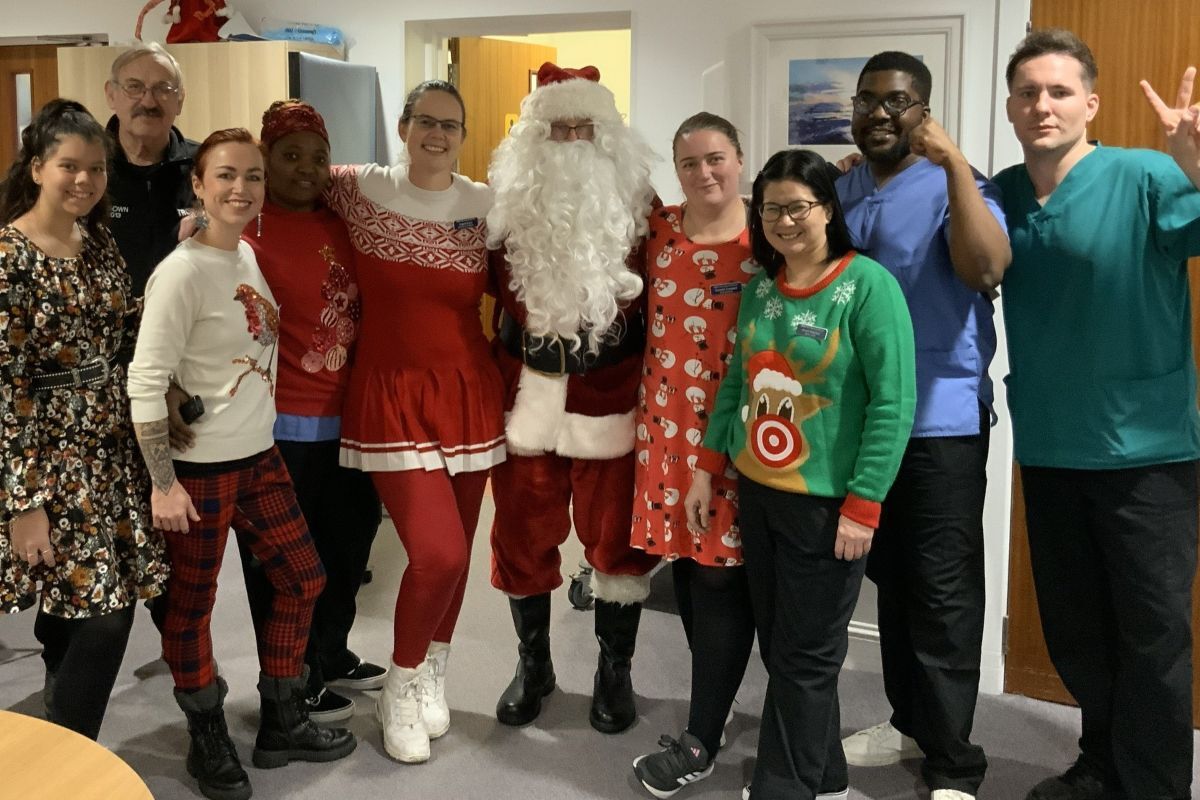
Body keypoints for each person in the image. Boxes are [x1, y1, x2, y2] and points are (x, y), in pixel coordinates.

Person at [995, 29, 1200, 800]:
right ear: (1012, 107)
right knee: (1079, 632)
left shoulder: (1147, 174)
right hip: (1051, 444)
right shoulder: (1005, 193)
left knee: (1152, 637)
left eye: (1057, 91)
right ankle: (1102, 763)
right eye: (1027, 92)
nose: (1041, 104)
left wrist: (1198, 167)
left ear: (1091, 101)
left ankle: (1152, 788)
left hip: (1145, 452)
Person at [128, 127, 356, 800]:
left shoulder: (247, 258)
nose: (241, 188)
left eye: (252, 176)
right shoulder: (182, 272)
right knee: (191, 610)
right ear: (198, 185)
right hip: (197, 474)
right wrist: (162, 481)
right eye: (224, 175)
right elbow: (145, 381)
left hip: (260, 458)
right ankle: (207, 736)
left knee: (303, 578)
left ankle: (282, 717)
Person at [686, 149, 916, 800]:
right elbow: (736, 382)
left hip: (827, 506)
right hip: (760, 496)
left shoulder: (867, 285)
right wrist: (708, 467)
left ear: (829, 209)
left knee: (805, 657)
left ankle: (784, 785)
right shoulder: (761, 285)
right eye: (771, 209)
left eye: (798, 206)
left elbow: (893, 404)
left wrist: (864, 504)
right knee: (789, 648)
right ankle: (828, 778)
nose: (784, 221)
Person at [834, 52, 1010, 800]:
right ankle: (910, 720)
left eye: (898, 101)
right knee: (892, 582)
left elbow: (987, 269)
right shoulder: (839, 186)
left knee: (941, 591)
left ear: (924, 111)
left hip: (939, 421)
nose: (881, 113)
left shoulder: (955, 184)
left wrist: (958, 166)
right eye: (868, 100)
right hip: (860, 423)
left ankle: (954, 765)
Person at [326, 80, 504, 764]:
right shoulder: (358, 189)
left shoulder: (486, 205)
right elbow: (275, 181)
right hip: (389, 393)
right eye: (425, 121)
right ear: (402, 126)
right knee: (439, 552)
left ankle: (435, 668)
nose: (437, 134)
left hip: (469, 394)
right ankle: (399, 683)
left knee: (455, 557)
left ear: (463, 135)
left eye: (451, 126)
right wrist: (204, 223)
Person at [486, 62, 661, 735]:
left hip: (610, 400)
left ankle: (613, 671)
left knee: (616, 544)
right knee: (521, 539)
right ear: (533, 139)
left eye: (583, 127)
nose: (570, 140)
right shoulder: (499, 213)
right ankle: (535, 667)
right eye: (556, 128)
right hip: (525, 400)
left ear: (607, 137)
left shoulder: (646, 216)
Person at [0, 99, 169, 741]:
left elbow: (127, 330)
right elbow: (6, 392)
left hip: (111, 444)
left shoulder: (95, 240)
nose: (85, 181)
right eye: (69, 165)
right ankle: (68, 754)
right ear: (38, 166)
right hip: (48, 457)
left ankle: (58, 707)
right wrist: (26, 503)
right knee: (106, 613)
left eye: (97, 169)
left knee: (86, 597)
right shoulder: (9, 257)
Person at [235, 101, 385, 721]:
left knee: (348, 547)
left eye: (317, 157)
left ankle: (332, 650)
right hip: (281, 431)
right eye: (290, 155)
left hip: (350, 424)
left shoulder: (344, 224)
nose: (305, 168)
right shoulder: (246, 234)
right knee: (287, 563)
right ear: (266, 160)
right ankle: (292, 675)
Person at [629, 112, 758, 797]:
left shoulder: (765, 234)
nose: (704, 173)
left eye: (716, 159)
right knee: (684, 563)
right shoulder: (660, 230)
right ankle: (718, 697)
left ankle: (703, 735)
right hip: (665, 429)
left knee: (720, 578)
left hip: (736, 437)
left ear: (739, 158)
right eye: (689, 163)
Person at [103, 41, 197, 297]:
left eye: (163, 89)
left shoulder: (207, 165)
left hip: (184, 326)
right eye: (134, 87)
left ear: (180, 100)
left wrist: (208, 218)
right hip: (104, 330)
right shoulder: (86, 167)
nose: (148, 100)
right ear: (111, 95)